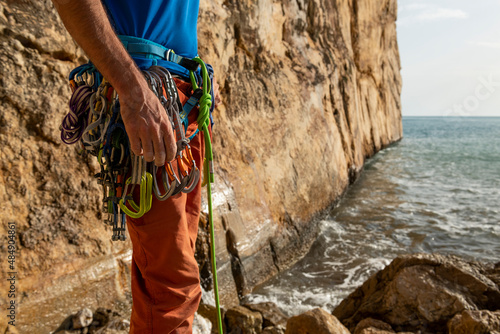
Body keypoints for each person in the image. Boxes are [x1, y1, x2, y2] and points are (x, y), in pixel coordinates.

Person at [52, 0, 221, 332]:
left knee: (174, 271)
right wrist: (133, 92)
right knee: (172, 288)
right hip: (150, 101)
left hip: (181, 100)